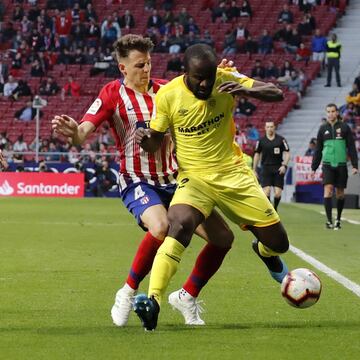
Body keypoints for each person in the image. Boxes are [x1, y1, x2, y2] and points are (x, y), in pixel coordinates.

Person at [52, 34, 235, 328]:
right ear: (123, 68)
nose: (146, 70)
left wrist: (220, 74)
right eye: (139, 65)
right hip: (138, 180)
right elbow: (83, 133)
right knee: (160, 226)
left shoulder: (167, 89)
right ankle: (127, 292)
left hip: (175, 181)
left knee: (223, 239)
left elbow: (203, 92)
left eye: (148, 63)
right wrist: (73, 131)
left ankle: (187, 296)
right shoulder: (112, 94)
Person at [134, 44, 290, 331]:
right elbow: (155, 140)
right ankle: (153, 301)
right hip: (195, 178)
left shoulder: (225, 78)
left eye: (209, 76)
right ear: (186, 73)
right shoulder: (168, 95)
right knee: (178, 223)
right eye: (198, 78)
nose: (205, 83)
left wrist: (245, 90)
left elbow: (277, 92)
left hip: (234, 175)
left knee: (279, 243)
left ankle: (264, 252)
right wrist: (146, 139)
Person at [311, 103, 358, 229]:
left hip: (342, 165)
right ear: (326, 113)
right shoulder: (322, 129)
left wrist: (355, 165)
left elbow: (352, 148)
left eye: (333, 111)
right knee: (328, 189)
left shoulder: (344, 127)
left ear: (337, 112)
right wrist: (313, 168)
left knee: (340, 193)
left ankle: (338, 219)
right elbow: (318, 150)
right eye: (328, 111)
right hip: (327, 165)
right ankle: (329, 220)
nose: (331, 114)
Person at [253, 121, 290, 212]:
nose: (270, 128)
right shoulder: (261, 141)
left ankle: (275, 208)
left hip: (278, 168)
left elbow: (287, 153)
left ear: (274, 127)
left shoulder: (281, 140)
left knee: (277, 194)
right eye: (268, 127)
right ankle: (271, 211)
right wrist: (254, 169)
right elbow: (257, 154)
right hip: (265, 168)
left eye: (271, 126)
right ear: (265, 128)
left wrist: (284, 165)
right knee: (267, 192)